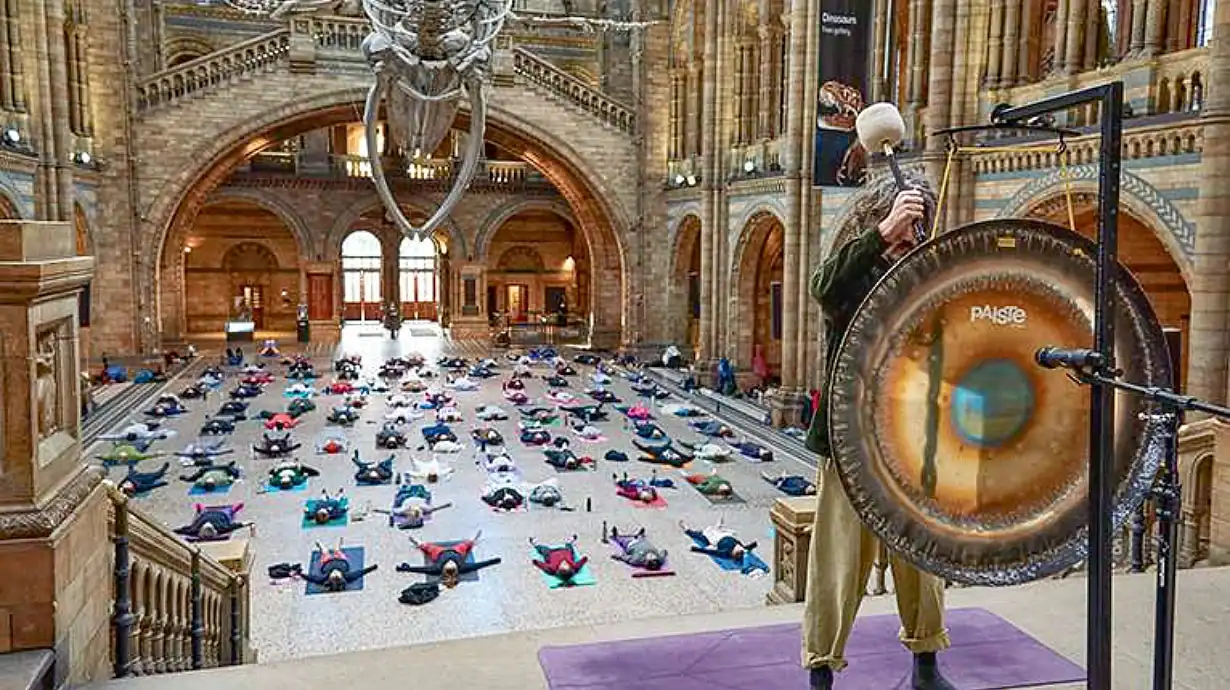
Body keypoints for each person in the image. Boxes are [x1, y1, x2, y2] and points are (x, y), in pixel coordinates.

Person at [802, 174, 952, 690]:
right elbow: (823, 286)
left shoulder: (926, 276)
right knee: (838, 560)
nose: (911, 239)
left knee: (921, 558)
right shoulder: (855, 272)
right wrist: (885, 232)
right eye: (903, 229)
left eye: (916, 229)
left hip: (911, 443)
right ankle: (822, 670)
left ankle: (926, 665)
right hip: (849, 440)